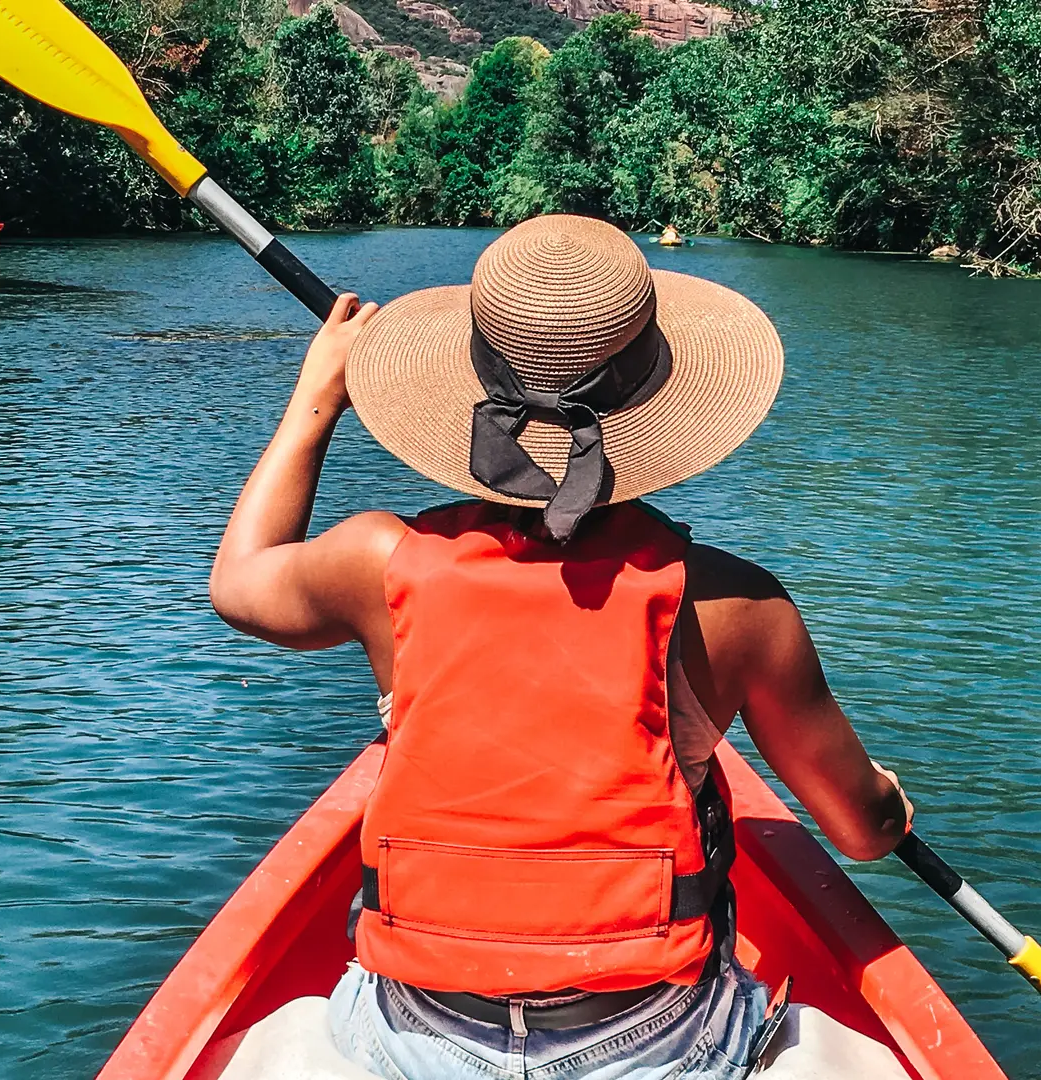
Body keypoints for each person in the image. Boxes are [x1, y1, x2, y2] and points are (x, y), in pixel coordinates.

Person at [207, 215, 915, 1080]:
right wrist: (888, 804)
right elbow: (860, 830)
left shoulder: (374, 562)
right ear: (659, 403)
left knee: (282, 1035)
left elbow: (238, 584)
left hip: (413, 1034)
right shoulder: (739, 605)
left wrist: (317, 399)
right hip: (660, 1040)